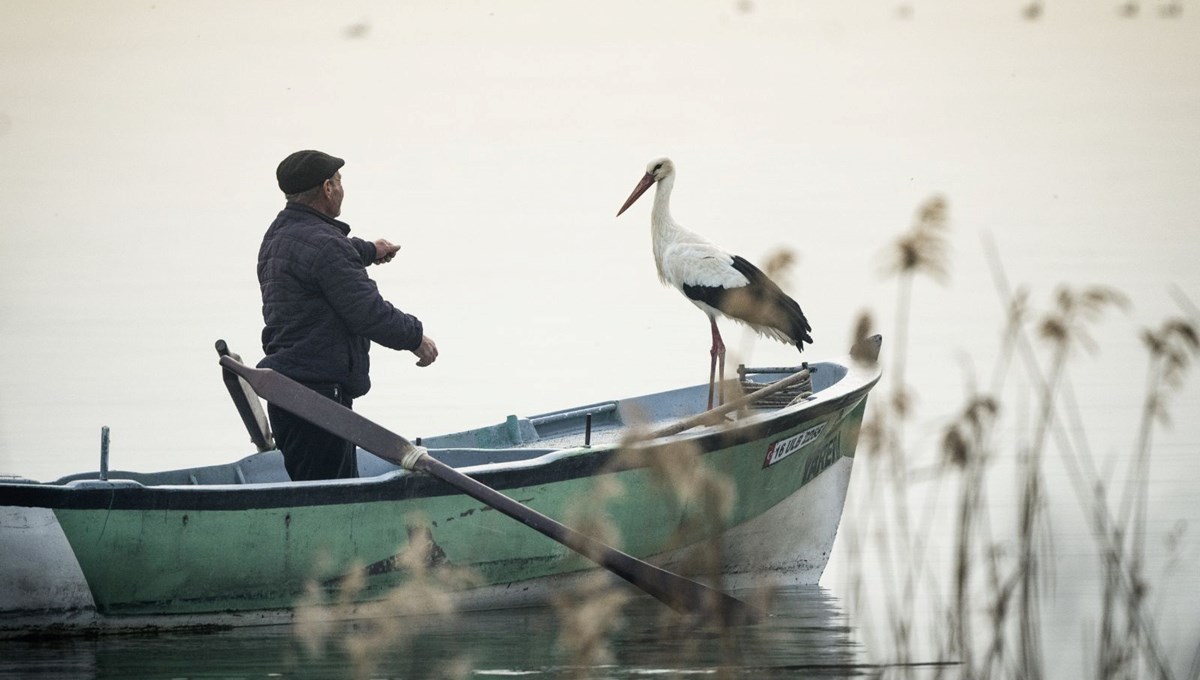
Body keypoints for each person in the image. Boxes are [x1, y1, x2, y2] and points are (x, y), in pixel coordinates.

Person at [257, 149, 438, 481]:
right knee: (329, 498)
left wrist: (370, 249)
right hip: (320, 402)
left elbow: (321, 252)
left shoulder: (277, 236)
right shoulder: (327, 247)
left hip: (288, 394)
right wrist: (416, 338)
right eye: (339, 182)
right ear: (327, 188)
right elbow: (369, 313)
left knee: (312, 491)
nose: (342, 189)